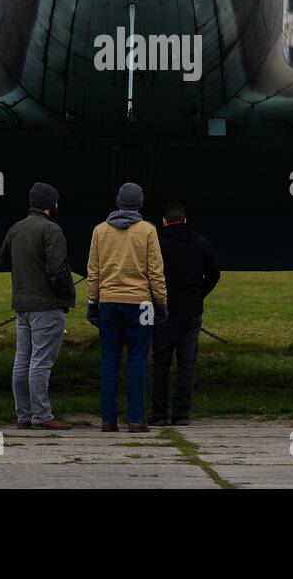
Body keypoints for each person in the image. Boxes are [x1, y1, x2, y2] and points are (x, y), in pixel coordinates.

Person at [86, 182, 167, 432]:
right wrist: (161, 302)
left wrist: (92, 302)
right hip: (141, 304)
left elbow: (93, 271)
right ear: (140, 204)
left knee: (109, 362)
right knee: (137, 361)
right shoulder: (147, 231)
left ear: (118, 203)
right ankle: (135, 419)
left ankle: (108, 420)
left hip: (109, 302)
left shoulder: (99, 231)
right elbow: (155, 271)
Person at [0, 181, 74, 430]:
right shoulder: (52, 230)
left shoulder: (16, 228)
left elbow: (3, 260)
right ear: (50, 204)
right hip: (47, 305)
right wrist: (64, 291)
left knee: (23, 360)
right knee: (41, 362)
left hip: (22, 304)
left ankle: (24, 415)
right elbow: (57, 268)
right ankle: (42, 416)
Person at [150, 201, 220, 426]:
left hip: (164, 312)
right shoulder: (201, 244)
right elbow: (214, 275)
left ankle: (159, 414)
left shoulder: (158, 245)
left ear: (164, 222)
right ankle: (181, 415)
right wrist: (199, 294)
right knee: (186, 364)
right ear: (185, 220)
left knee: (161, 362)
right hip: (192, 311)